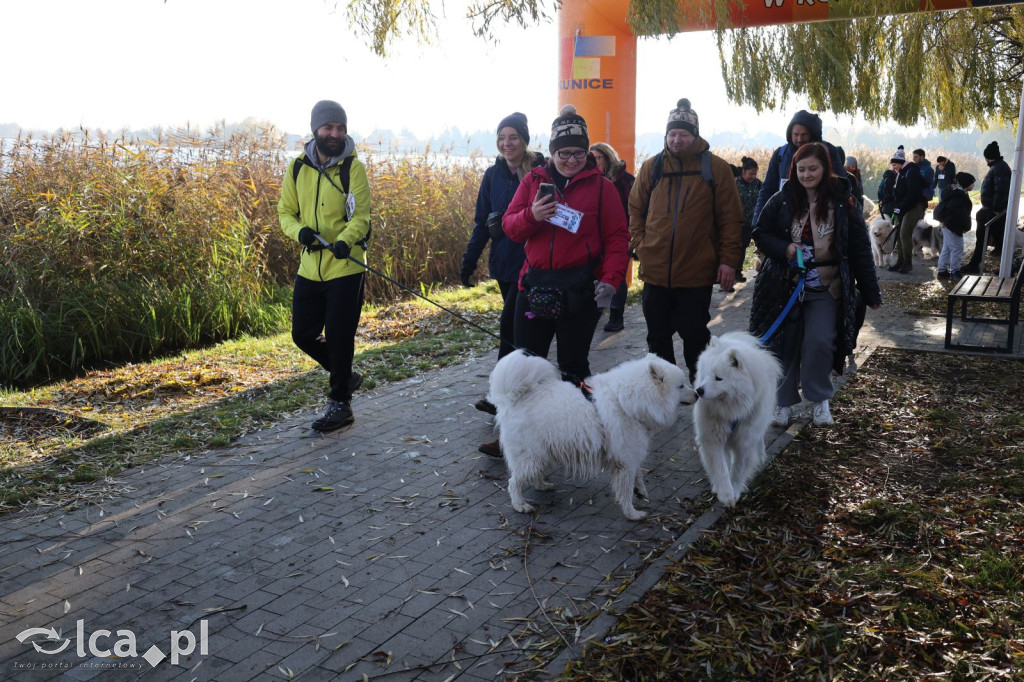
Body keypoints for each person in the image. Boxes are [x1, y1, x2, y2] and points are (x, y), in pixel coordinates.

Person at [749, 142, 882, 427]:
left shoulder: (843, 202)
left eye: (813, 169)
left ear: (825, 169)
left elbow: (859, 248)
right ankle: (781, 404)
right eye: (801, 169)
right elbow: (760, 232)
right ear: (793, 170)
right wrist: (785, 248)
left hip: (826, 286)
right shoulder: (782, 199)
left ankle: (820, 400)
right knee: (784, 346)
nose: (807, 175)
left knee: (820, 342)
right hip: (785, 286)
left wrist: (871, 291)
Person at [503, 104, 629, 386]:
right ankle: (529, 427)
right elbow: (510, 226)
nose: (572, 160)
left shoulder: (602, 188)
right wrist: (532, 216)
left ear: (588, 153)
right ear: (552, 152)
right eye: (564, 153)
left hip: (581, 290)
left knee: (573, 366)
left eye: (579, 153)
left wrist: (610, 281)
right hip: (535, 287)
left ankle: (578, 425)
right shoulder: (533, 181)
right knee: (527, 365)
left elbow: (618, 238)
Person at [628, 98, 744, 382]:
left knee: (695, 335)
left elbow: (731, 219)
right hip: (655, 271)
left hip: (696, 272)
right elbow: (634, 208)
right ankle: (665, 389)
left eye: (683, 134)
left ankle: (700, 385)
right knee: (656, 336)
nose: (677, 140)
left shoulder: (715, 168)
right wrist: (641, 243)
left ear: (695, 135)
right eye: (672, 134)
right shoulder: (652, 167)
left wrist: (728, 261)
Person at [278, 100, 371, 432]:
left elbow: (361, 216)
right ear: (315, 129)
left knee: (340, 335)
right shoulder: (297, 167)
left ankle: (340, 404)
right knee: (302, 334)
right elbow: (285, 213)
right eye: (328, 127)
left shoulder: (352, 169)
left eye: (340, 128)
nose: (334, 134)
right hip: (310, 267)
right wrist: (300, 232)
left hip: (346, 267)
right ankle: (345, 374)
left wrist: (346, 240)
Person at [461, 112, 544, 427]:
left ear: (524, 140)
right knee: (517, 331)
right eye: (502, 138)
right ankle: (518, 393)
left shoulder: (541, 172)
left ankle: (502, 397)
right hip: (505, 264)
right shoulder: (492, 176)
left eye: (513, 137)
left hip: (535, 266)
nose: (507, 143)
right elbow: (482, 222)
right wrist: (470, 260)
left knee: (510, 328)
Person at [752, 109, 847, 227]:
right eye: (795, 134)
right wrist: (757, 221)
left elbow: (841, 187)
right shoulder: (780, 154)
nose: (799, 139)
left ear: (812, 134)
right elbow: (767, 189)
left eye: (803, 135)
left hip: (822, 220)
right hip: (785, 221)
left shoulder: (829, 151)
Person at [589, 141, 635, 332]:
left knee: (617, 275)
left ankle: (616, 316)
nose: (592, 161)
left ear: (607, 158)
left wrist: (632, 235)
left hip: (622, 235)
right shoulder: (590, 179)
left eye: (596, 158)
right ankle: (597, 310)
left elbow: (635, 208)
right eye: (590, 158)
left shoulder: (625, 180)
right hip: (597, 238)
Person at [962, 141, 1012, 274]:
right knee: (998, 240)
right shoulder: (998, 167)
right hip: (990, 210)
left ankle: (977, 265)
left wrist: (995, 209)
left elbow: (1001, 191)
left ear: (989, 157)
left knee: (984, 239)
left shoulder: (999, 168)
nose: (985, 161)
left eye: (985, 158)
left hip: (992, 212)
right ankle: (1005, 267)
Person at [888, 145, 926, 274]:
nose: (893, 168)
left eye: (895, 165)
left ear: (900, 163)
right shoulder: (901, 173)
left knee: (904, 232)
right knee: (899, 233)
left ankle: (907, 263)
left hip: (915, 205)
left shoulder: (911, 171)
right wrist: (896, 207)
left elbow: (912, 194)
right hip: (904, 207)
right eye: (892, 165)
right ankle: (900, 261)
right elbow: (898, 193)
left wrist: (901, 208)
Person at [932, 172, 975, 280]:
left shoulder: (954, 191)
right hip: (953, 226)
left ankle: (942, 270)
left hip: (946, 224)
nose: (973, 185)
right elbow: (960, 215)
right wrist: (965, 226)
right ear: (965, 184)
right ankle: (955, 271)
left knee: (947, 247)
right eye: (972, 183)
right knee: (957, 248)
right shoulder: (959, 196)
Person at [735, 156, 762, 284]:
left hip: (753, 222)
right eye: (750, 174)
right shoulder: (735, 183)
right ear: (743, 172)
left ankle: (738, 272)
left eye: (755, 174)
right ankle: (733, 273)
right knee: (737, 247)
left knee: (744, 247)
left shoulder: (758, 184)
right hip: (737, 222)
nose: (753, 176)